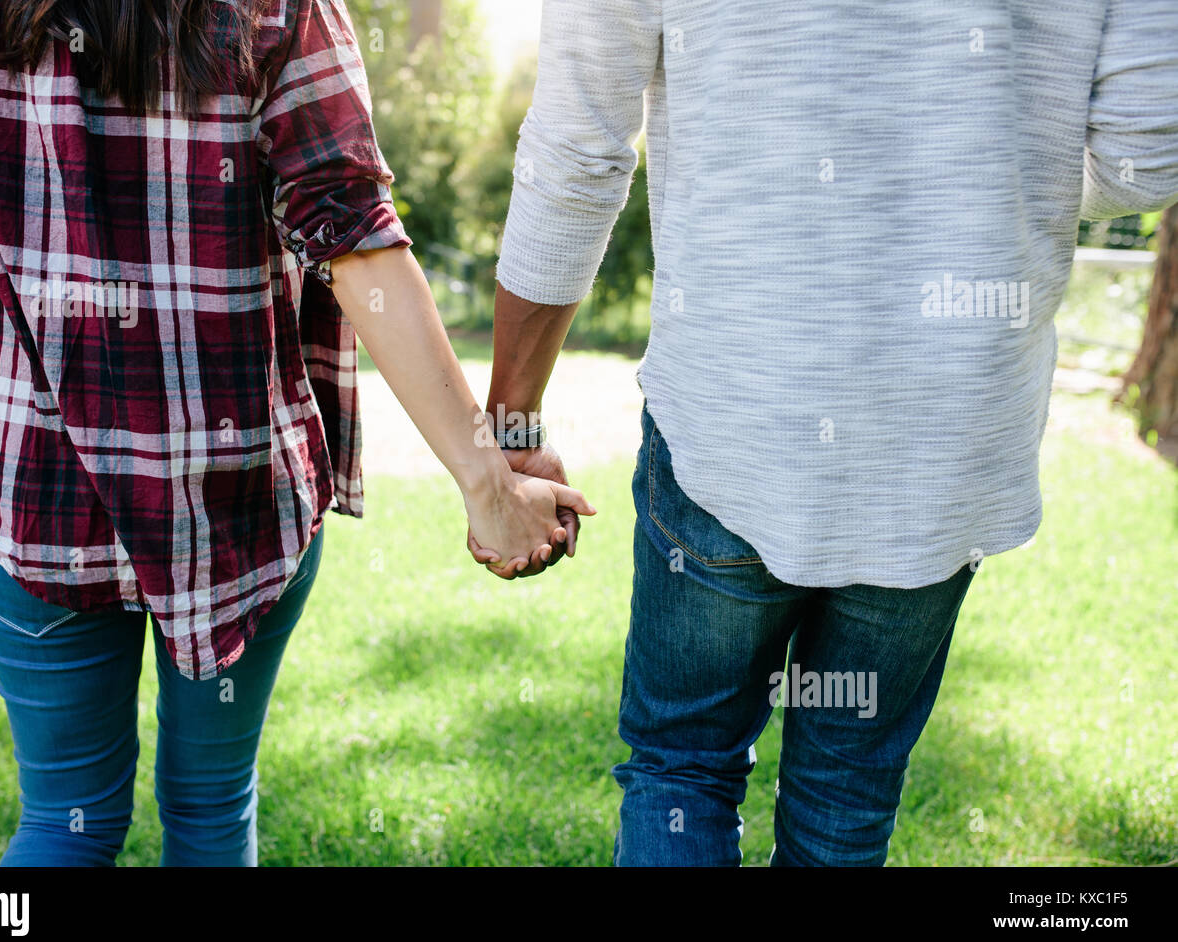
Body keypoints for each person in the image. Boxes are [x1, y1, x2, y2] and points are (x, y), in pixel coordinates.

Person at [0, 0, 591, 866]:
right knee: (212, 810)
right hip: (239, 490)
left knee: (64, 820)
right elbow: (354, 238)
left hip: (33, 487)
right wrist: (488, 482)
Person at [482, 0, 1178, 865]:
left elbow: (577, 149)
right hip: (942, 432)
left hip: (734, 411)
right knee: (845, 794)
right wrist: (980, 159)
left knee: (681, 770)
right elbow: (1146, 158)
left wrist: (512, 425)